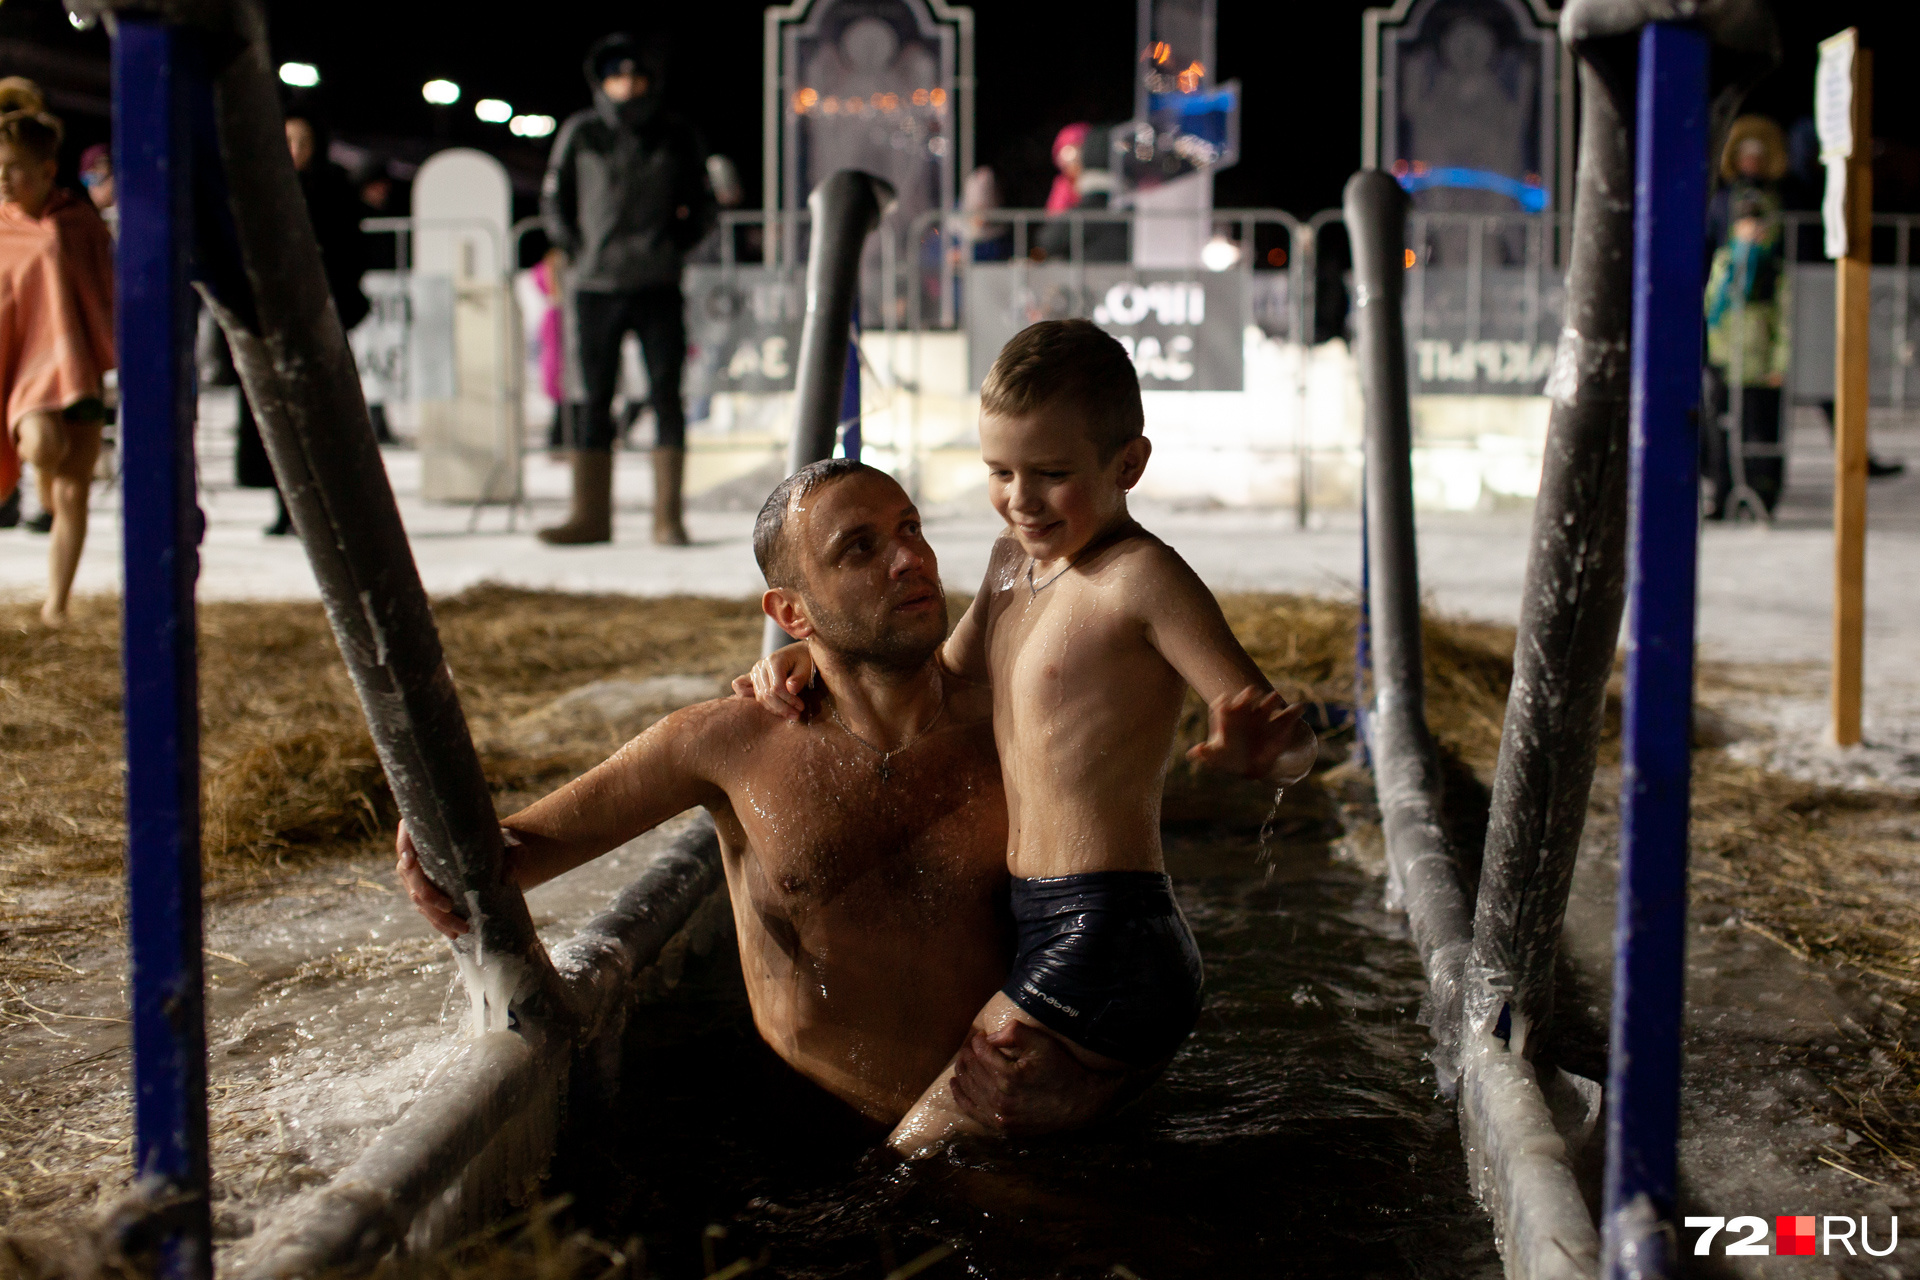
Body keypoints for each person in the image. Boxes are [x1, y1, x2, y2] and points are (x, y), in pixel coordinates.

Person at [397, 458, 1116, 1131]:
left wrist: (1085, 1088)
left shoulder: (1019, 725)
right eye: (860, 549)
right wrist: (430, 844)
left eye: (910, 528)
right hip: (806, 1153)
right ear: (790, 613)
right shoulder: (725, 744)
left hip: (1007, 1134)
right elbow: (505, 857)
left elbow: (1131, 940)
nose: (910, 560)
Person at [747, 320, 1318, 1156]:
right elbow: (934, 678)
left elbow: (1288, 737)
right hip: (1039, 923)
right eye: (1000, 472)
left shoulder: (1142, 580)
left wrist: (1270, 757)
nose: (1021, 499)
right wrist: (811, 656)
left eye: (1052, 475)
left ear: (1128, 466)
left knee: (921, 1159)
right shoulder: (1010, 566)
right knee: (1016, 1151)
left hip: (1108, 931)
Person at [540, 32, 716, 547]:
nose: (628, 85)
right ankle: (590, 516)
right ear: (603, 81)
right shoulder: (582, 133)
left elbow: (703, 205)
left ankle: (668, 518)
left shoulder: (676, 135)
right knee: (592, 398)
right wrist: (575, 248)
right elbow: (556, 201)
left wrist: (672, 246)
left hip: (658, 284)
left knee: (666, 396)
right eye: (618, 76)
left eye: (637, 76)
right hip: (595, 286)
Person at [0, 92, 115, 623]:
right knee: (43, 447)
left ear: (47, 169)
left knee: (74, 495)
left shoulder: (80, 224)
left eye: (13, 170)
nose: (2, 180)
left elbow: (103, 292)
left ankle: (57, 605)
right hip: (24, 372)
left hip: (80, 371)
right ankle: (38, 483)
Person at [234, 95, 369, 535]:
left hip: (322, 318)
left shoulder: (335, 189)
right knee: (279, 418)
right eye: (286, 140)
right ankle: (286, 506)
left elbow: (351, 257)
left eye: (303, 140)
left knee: (321, 416)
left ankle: (329, 507)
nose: (294, 150)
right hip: (272, 320)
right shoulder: (259, 188)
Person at [1703, 187, 1790, 520]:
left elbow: (1783, 322)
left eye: (1756, 222)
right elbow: (1713, 306)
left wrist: (1778, 364)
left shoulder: (1773, 269)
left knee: (1759, 431)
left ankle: (1761, 493)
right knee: (1720, 430)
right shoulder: (1726, 263)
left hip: (1758, 364)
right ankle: (1722, 493)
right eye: (1744, 222)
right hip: (1725, 359)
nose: (1751, 230)